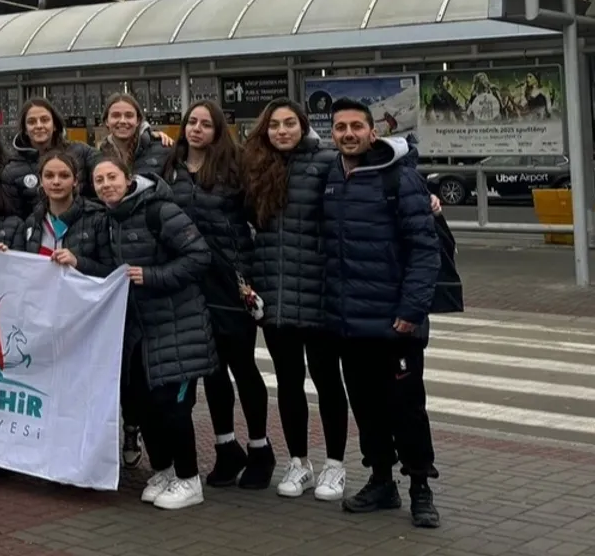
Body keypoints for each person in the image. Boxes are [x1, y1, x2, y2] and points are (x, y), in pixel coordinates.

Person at [323, 97, 442, 529]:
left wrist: (411, 310)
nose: (348, 134)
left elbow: (424, 250)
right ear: (332, 134)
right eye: (340, 127)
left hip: (396, 322)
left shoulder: (399, 178)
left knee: (407, 410)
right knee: (367, 407)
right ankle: (381, 481)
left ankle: (420, 489)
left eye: (356, 126)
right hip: (349, 322)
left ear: (373, 132)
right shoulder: (330, 176)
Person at [241, 98, 349, 500]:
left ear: (303, 126)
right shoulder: (256, 167)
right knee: (288, 383)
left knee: (327, 380)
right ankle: (298, 462)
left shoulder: (326, 162)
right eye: (274, 125)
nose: (282, 131)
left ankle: (335, 465)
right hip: (275, 295)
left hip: (319, 293)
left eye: (289, 123)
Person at [91, 157, 213, 511]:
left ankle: (189, 478)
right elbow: (112, 271)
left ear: (128, 178)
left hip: (178, 325)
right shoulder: (108, 221)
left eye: (111, 177)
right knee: (144, 407)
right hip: (138, 330)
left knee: (172, 407)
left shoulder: (160, 211)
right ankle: (163, 470)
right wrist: (76, 262)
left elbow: (199, 256)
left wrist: (152, 276)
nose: (106, 185)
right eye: (99, 180)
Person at [165, 100, 272, 490]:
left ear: (217, 130)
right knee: (211, 368)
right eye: (191, 122)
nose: (196, 129)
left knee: (242, 366)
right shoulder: (170, 167)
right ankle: (226, 447)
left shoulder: (234, 167)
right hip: (191, 282)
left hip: (231, 280)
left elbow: (261, 213)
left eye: (205, 124)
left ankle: (260, 448)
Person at [93, 93, 172, 467]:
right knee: (118, 363)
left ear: (139, 118)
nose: (122, 121)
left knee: (145, 364)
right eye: (115, 115)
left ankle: (145, 434)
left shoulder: (159, 147)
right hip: (112, 251)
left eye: (129, 115)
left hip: (149, 255)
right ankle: (127, 427)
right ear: (106, 120)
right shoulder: (96, 153)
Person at [12, 149, 109, 277]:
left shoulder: (97, 218)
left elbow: (112, 273)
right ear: (41, 181)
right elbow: (20, 270)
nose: (56, 182)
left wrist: (77, 263)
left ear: (75, 180)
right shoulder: (32, 222)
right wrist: (1, 254)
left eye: (64, 176)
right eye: (49, 176)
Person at [2, 98, 95, 218]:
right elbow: (13, 219)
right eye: (31, 122)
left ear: (55, 125)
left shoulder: (81, 152)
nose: (39, 126)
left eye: (45, 120)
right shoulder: (11, 171)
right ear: (25, 130)